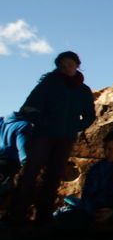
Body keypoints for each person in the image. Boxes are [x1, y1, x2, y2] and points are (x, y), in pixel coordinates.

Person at [8, 51, 96, 223]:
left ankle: (43, 218)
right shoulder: (48, 84)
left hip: (65, 139)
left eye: (69, 65)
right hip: (44, 136)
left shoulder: (83, 90)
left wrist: (75, 127)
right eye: (62, 66)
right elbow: (27, 108)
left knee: (54, 176)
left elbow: (89, 116)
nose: (66, 69)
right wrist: (44, 123)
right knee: (30, 173)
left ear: (77, 65)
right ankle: (17, 216)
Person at [54, 129, 113, 232]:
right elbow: (88, 194)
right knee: (63, 215)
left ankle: (106, 228)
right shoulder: (97, 168)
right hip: (96, 211)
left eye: (110, 149)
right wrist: (95, 211)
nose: (106, 152)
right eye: (105, 148)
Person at [0, 112, 35, 203]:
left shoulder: (2, 121)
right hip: (8, 163)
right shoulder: (23, 125)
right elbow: (22, 146)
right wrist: (25, 162)